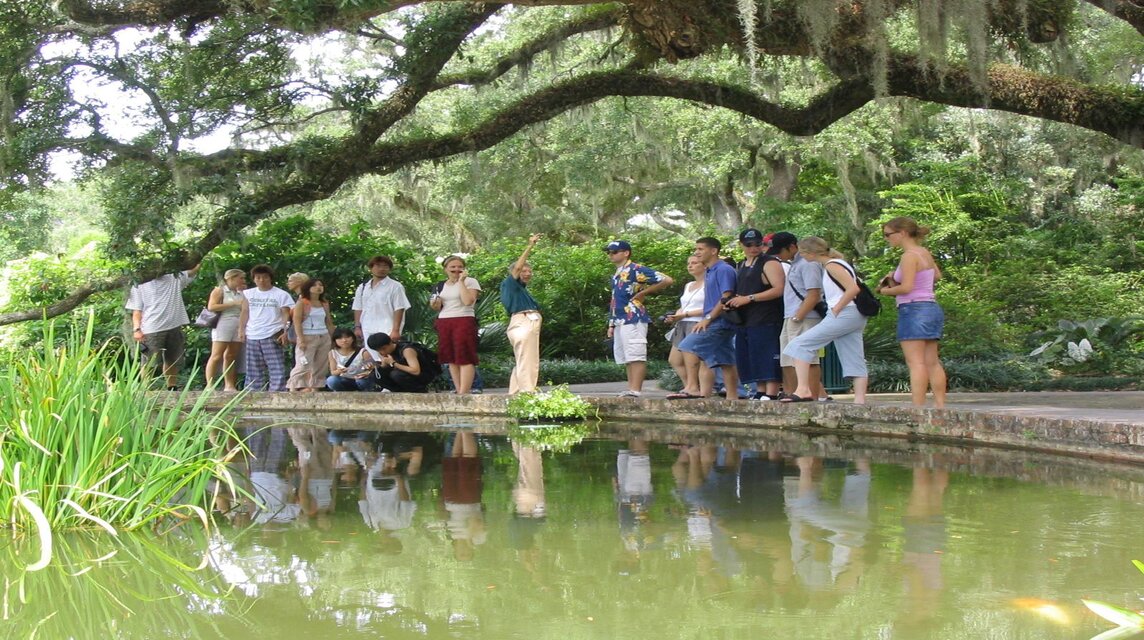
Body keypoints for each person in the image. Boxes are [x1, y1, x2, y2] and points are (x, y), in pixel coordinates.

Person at [781, 237, 868, 404]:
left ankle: (803, 389)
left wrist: (836, 308)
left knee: (799, 344)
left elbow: (853, 289)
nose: (802, 256)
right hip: (854, 315)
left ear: (812, 253)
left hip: (844, 313)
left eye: (803, 253)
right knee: (853, 356)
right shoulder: (838, 263)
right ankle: (859, 401)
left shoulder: (832, 265)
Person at [876, 216, 947, 408]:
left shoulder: (908, 256)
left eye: (888, 235)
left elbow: (906, 288)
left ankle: (918, 408)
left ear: (903, 233)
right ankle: (940, 406)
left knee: (916, 363)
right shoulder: (924, 252)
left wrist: (884, 290)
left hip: (913, 309)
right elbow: (936, 276)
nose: (887, 239)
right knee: (932, 361)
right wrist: (894, 277)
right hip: (930, 307)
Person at [604, 239, 674, 397]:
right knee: (627, 356)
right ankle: (631, 389)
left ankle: (636, 390)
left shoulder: (635, 269)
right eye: (609, 252)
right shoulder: (616, 274)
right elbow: (615, 299)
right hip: (619, 319)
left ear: (626, 253)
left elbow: (667, 279)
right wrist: (611, 323)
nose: (610, 255)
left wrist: (643, 293)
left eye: (614, 252)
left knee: (636, 354)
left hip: (634, 316)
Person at [723, 228, 786, 401]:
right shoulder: (742, 264)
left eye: (758, 244)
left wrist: (750, 298)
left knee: (767, 352)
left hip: (766, 316)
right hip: (746, 319)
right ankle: (760, 390)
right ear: (742, 245)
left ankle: (771, 391)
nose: (753, 248)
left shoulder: (769, 262)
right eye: (749, 245)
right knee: (751, 354)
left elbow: (779, 289)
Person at [677, 237, 742, 399]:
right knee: (726, 360)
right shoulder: (710, 271)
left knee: (688, 345)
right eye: (696, 249)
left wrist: (708, 318)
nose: (697, 252)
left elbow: (726, 296)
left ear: (713, 251)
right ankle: (732, 397)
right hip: (717, 320)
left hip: (720, 320)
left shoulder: (723, 269)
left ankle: (692, 387)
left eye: (700, 249)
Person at [125, 263, 201, 390]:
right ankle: (145, 389)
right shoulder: (139, 284)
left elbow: (193, 270)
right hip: (151, 328)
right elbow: (137, 311)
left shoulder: (174, 277)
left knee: (172, 359)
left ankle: (172, 387)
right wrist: (136, 329)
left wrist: (200, 253)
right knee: (149, 362)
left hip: (174, 326)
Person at [776, 233, 828, 401]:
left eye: (780, 251)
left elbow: (814, 294)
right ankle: (794, 392)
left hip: (805, 316)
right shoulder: (795, 263)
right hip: (791, 315)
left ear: (792, 247)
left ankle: (811, 395)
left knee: (807, 357)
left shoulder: (808, 263)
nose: (778, 255)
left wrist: (799, 316)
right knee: (788, 358)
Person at [237, 264, 294, 392]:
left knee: (276, 366)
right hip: (252, 333)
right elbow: (245, 312)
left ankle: (277, 392)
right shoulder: (248, 294)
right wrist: (241, 329)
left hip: (272, 333)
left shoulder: (281, 294)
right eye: (258, 278)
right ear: (254, 279)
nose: (261, 280)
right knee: (253, 367)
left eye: (265, 277)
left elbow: (286, 314)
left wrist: (286, 331)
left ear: (270, 278)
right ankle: (252, 392)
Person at [431, 255, 482, 395]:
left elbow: (468, 301)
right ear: (445, 269)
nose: (456, 269)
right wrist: (435, 304)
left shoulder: (471, 282)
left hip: (464, 320)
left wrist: (461, 282)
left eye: (460, 266)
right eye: (452, 267)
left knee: (464, 356)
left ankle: (464, 392)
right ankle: (458, 389)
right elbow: (437, 306)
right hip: (445, 321)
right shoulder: (441, 285)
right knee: (451, 358)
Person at [500, 233, 543, 394]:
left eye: (529, 271)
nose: (527, 273)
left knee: (523, 358)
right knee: (528, 359)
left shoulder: (520, 290)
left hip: (524, 321)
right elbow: (517, 267)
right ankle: (527, 393)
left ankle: (516, 391)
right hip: (523, 321)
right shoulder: (509, 284)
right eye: (524, 271)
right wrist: (530, 246)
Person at [352, 256, 411, 359]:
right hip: (367, 327)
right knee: (372, 356)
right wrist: (357, 327)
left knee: (388, 356)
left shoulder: (395, 286)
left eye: (385, 266)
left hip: (387, 327)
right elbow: (358, 307)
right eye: (378, 266)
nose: (382, 269)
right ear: (371, 268)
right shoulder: (363, 287)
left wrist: (396, 330)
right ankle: (377, 374)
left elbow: (399, 308)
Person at [664, 255, 707, 399]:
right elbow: (684, 305)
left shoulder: (709, 283)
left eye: (694, 263)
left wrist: (686, 314)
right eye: (689, 263)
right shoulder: (688, 285)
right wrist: (676, 316)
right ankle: (689, 386)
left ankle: (694, 387)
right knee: (674, 360)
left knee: (693, 359)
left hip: (697, 322)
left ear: (704, 265)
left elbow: (710, 307)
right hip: (681, 323)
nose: (690, 266)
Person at [287, 278, 335, 392]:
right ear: (308, 288)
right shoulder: (302, 302)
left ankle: (315, 388)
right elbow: (297, 322)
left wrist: (333, 338)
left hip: (323, 336)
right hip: (308, 336)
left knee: (321, 365)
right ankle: (293, 387)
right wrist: (301, 339)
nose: (318, 287)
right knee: (303, 364)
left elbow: (328, 321)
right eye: (314, 285)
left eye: (320, 285)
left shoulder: (324, 303)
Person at [204, 268, 246, 391]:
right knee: (217, 355)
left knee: (231, 355)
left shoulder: (241, 292)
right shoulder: (219, 290)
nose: (243, 280)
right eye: (241, 278)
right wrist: (233, 304)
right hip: (223, 323)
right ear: (231, 278)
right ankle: (210, 385)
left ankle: (229, 385)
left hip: (238, 324)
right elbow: (211, 307)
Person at [366, 332, 437, 393]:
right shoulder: (383, 353)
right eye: (378, 350)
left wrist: (394, 363)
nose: (382, 352)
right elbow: (385, 368)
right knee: (376, 375)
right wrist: (381, 365)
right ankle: (398, 391)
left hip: (422, 375)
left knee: (396, 374)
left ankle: (418, 390)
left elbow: (416, 371)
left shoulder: (407, 350)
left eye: (384, 349)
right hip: (402, 376)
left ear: (390, 342)